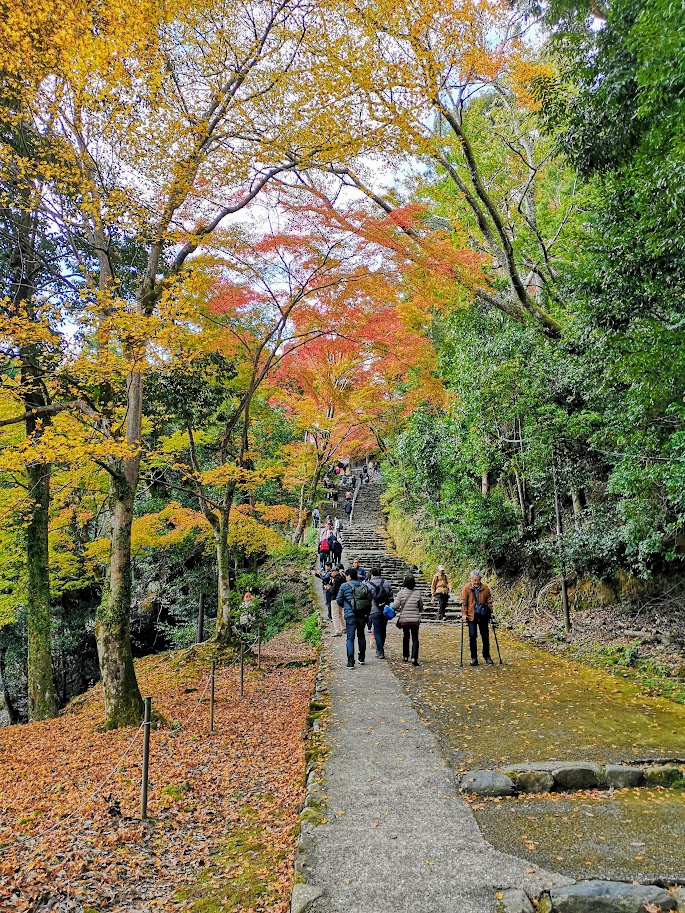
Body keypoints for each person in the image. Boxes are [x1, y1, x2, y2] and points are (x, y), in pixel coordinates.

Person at [336, 568, 371, 668]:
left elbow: (338, 600)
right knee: (361, 635)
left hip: (350, 615)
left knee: (350, 639)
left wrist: (347, 607)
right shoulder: (363, 586)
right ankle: (362, 658)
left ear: (349, 576)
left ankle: (351, 662)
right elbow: (368, 600)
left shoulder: (344, 586)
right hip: (362, 614)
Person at [460, 569, 494, 666]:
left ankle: (486, 655)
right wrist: (464, 613)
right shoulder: (466, 588)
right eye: (474, 580)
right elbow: (463, 602)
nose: (476, 582)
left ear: (480, 579)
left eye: (477, 580)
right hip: (471, 616)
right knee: (472, 635)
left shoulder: (485, 588)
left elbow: (489, 600)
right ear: (471, 579)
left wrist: (490, 611)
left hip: (483, 615)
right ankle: (473, 657)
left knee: (485, 636)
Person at [393, 575, 422, 665]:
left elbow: (395, 606)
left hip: (405, 619)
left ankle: (405, 656)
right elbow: (421, 607)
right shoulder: (417, 593)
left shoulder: (401, 593)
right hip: (415, 620)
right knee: (415, 638)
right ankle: (414, 658)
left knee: (406, 637)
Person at [367, 565, 393, 658]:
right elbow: (391, 596)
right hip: (385, 610)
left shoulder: (369, 584)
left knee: (377, 630)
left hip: (374, 610)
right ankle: (381, 647)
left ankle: (380, 651)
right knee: (383, 630)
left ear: (372, 574)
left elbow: (367, 598)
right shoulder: (386, 583)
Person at [328, 565, 346, 636]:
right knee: (340, 613)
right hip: (341, 598)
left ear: (335, 572)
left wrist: (328, 588)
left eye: (332, 572)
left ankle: (337, 631)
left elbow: (334, 590)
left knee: (335, 615)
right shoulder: (342, 577)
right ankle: (343, 628)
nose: (331, 573)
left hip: (335, 598)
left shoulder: (336, 579)